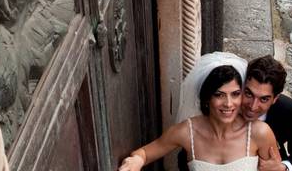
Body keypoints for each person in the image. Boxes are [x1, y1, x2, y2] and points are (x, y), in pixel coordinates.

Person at [117, 53, 281, 171]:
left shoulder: (260, 133)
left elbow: (274, 168)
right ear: (207, 98)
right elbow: (145, 152)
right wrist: (137, 160)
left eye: (236, 94)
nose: (228, 104)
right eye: (219, 95)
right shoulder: (186, 132)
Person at [243, 56, 292, 171]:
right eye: (249, 94)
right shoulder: (228, 106)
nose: (253, 106)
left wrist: (282, 168)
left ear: (275, 98)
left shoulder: (290, 111)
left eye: (264, 99)